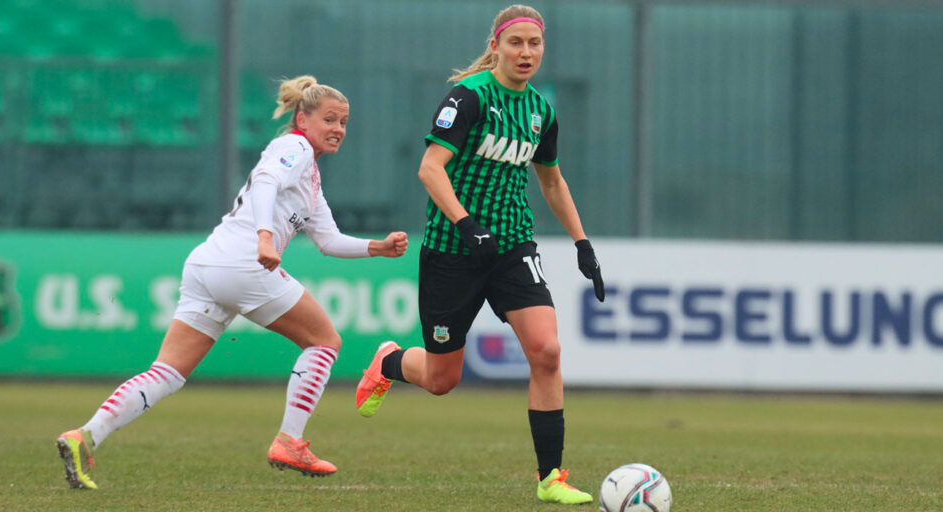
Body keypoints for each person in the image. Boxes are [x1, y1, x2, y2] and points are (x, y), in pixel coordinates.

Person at [55, 75, 409, 490]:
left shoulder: (309, 176)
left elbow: (328, 240)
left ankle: (85, 436)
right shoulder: (294, 147)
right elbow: (266, 182)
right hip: (244, 263)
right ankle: (290, 440)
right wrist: (264, 237)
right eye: (329, 119)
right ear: (302, 119)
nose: (338, 129)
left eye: (344, 122)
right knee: (324, 342)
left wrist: (377, 247)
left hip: (208, 264)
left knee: (167, 373)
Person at [354, 4, 604, 505]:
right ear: (496, 46)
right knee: (442, 379)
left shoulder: (541, 110)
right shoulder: (468, 97)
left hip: (512, 247)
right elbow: (430, 168)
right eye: (516, 43)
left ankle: (550, 478)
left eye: (534, 43)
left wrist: (582, 243)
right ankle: (390, 362)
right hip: (453, 249)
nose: (526, 52)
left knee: (547, 352)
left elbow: (551, 181)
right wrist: (466, 225)